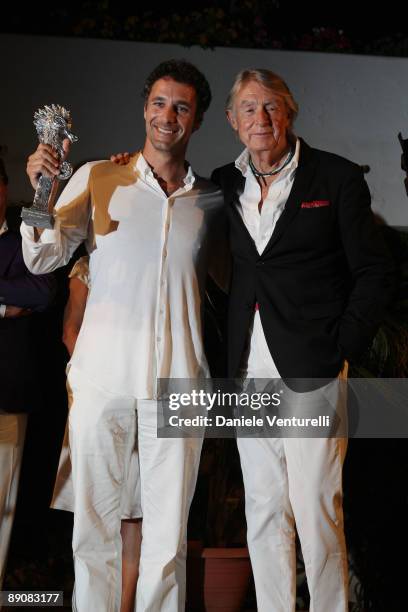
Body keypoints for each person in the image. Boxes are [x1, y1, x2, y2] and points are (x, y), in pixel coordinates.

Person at [22, 59, 225, 612]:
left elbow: (244, 277)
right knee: (93, 532)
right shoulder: (98, 176)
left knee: (166, 541)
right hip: (103, 381)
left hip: (179, 387)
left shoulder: (210, 203)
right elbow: (41, 254)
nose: (168, 115)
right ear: (144, 109)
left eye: (181, 106)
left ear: (197, 120)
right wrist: (43, 191)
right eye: (160, 103)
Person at [209, 69, 395, 612]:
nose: (260, 119)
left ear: (290, 114)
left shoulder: (335, 178)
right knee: (264, 507)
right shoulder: (223, 182)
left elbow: (374, 271)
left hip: (313, 366)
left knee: (315, 507)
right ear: (231, 120)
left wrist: (343, 344)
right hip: (249, 368)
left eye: (271, 107)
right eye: (248, 108)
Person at [53, 255, 142, 612]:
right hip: (100, 397)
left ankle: (125, 605)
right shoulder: (86, 267)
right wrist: (102, 378)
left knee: (135, 515)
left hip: (149, 396)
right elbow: (70, 331)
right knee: (97, 513)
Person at [0, 158, 56, 589]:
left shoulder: (25, 233)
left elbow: (40, 288)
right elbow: (19, 295)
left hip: (9, 389)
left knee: (3, 504)